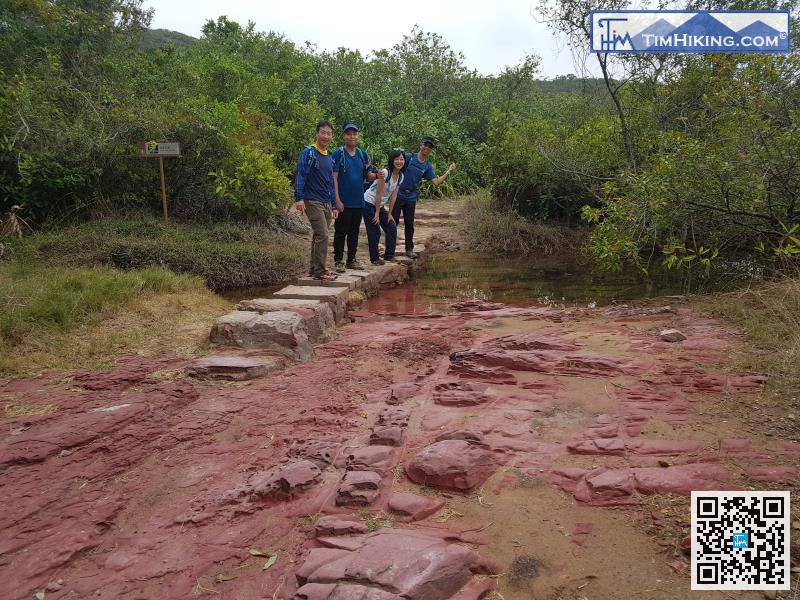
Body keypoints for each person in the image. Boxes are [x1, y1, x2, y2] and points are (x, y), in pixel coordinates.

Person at [393, 136, 455, 258]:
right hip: (398, 194)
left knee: (409, 224)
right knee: (393, 222)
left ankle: (409, 249)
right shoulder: (408, 157)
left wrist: (448, 171)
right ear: (421, 145)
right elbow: (395, 166)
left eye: (430, 146)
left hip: (411, 197)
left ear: (431, 150)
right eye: (425, 145)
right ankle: (390, 249)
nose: (426, 148)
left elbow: (436, 182)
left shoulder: (427, 166)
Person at [330, 123, 381, 272]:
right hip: (343, 202)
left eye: (354, 134)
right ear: (344, 136)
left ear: (358, 136)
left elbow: (368, 176)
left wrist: (378, 175)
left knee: (354, 232)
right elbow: (334, 178)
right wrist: (337, 200)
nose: (352, 136)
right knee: (340, 232)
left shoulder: (362, 155)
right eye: (349, 134)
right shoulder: (338, 154)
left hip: (358, 201)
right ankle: (338, 260)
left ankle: (351, 259)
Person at [294, 119, 338, 281]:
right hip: (311, 200)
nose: (326, 136)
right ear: (317, 134)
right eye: (323, 133)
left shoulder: (330, 157)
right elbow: (301, 175)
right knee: (323, 234)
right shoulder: (309, 152)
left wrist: (333, 205)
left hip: (326, 201)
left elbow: (331, 183)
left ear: (332, 136)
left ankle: (313, 269)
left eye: (329, 133)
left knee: (319, 235)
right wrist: (299, 198)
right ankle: (321, 271)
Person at [363, 149, 406, 265]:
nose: (399, 162)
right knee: (375, 230)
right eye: (397, 159)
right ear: (392, 160)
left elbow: (394, 196)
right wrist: (377, 213)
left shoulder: (401, 176)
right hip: (368, 203)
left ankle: (389, 255)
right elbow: (378, 193)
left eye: (402, 159)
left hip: (379, 205)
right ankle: (375, 258)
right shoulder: (385, 173)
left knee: (391, 226)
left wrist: (390, 213)